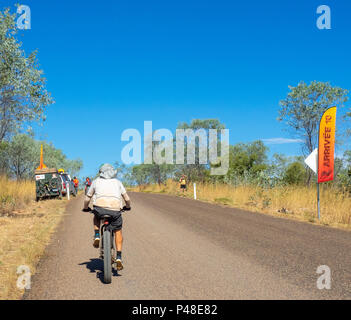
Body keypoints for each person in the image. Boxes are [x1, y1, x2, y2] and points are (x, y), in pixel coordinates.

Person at [82, 164, 131, 271]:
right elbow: (127, 198)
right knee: (118, 231)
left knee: (95, 216)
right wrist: (127, 207)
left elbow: (87, 198)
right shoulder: (118, 182)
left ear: (101, 172)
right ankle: (118, 257)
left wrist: (86, 208)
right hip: (115, 211)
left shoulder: (96, 181)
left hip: (100, 209)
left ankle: (96, 235)